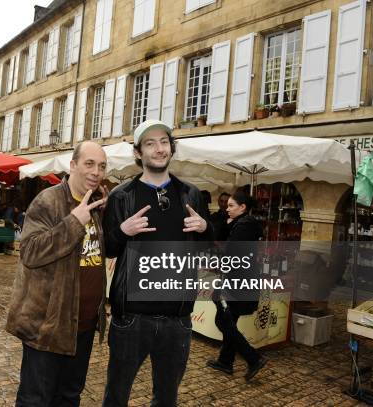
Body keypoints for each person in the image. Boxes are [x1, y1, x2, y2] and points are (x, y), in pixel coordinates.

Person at [102, 119, 212, 406]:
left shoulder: (191, 194)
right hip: (132, 318)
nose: (159, 149)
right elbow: (109, 250)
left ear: (171, 148)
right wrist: (122, 231)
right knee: (116, 395)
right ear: (138, 153)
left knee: (166, 398)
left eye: (164, 142)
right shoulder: (121, 196)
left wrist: (205, 229)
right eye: (150, 143)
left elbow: (206, 248)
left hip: (177, 319)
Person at [6, 141, 109, 406]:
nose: (96, 171)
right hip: (47, 328)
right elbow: (29, 251)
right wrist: (74, 221)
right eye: (89, 164)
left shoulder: (97, 203)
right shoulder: (48, 200)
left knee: (69, 397)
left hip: (82, 326)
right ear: (72, 166)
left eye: (101, 166)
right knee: (36, 399)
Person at [207, 189, 267, 382]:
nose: (227, 209)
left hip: (238, 283)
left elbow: (231, 253)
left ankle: (253, 358)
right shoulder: (240, 224)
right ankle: (226, 361)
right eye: (227, 205)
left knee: (223, 320)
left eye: (231, 206)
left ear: (243, 207)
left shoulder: (245, 226)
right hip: (239, 280)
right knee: (229, 319)